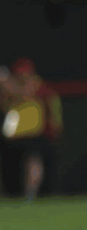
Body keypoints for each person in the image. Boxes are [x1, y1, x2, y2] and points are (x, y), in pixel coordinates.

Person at [0, 58, 63, 200]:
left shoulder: (36, 85)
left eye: (25, 74)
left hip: (33, 133)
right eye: (19, 74)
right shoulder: (9, 89)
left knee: (33, 161)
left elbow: (26, 93)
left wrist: (4, 80)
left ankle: (30, 195)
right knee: (9, 167)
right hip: (12, 134)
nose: (23, 77)